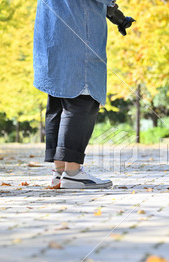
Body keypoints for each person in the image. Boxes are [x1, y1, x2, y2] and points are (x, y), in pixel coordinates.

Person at [33, 0, 134, 189]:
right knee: (82, 100)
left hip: (51, 31)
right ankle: (73, 173)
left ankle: (60, 172)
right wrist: (113, 9)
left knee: (60, 100)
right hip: (77, 30)